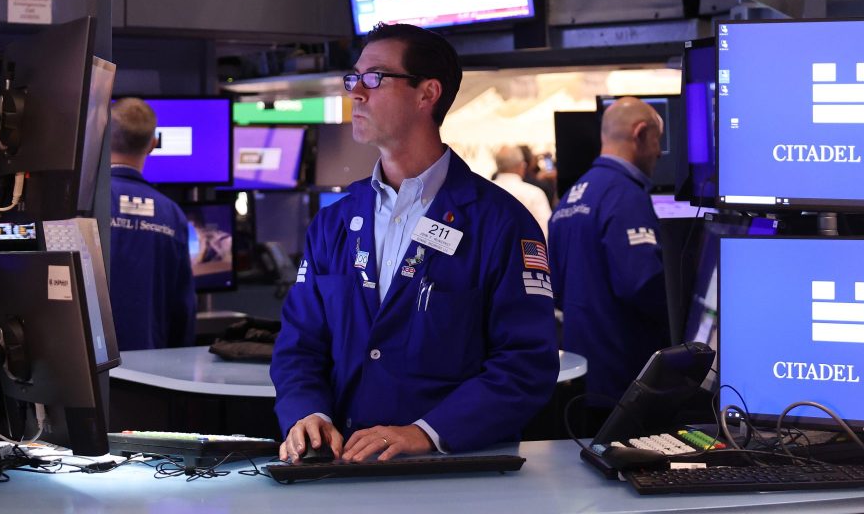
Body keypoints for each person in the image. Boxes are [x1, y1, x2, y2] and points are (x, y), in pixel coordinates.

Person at [273, 24, 558, 463]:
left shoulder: (501, 223)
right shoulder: (333, 222)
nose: (357, 93)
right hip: (344, 468)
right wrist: (305, 412)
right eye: (355, 79)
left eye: (375, 78)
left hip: (455, 469)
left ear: (427, 94)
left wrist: (427, 432)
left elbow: (525, 364)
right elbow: (300, 344)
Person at [548, 97, 670, 408]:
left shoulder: (569, 200)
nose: (658, 152)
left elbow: (557, 291)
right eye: (658, 140)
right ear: (640, 133)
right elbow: (642, 285)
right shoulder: (625, 196)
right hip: (628, 380)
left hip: (584, 380)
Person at [107, 97, 196, 351]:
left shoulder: (87, 202)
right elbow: (183, 308)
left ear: (102, 137)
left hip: (87, 367)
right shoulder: (172, 214)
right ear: (153, 145)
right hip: (150, 369)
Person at [492, 145, 552, 239]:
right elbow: (545, 233)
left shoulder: (483, 192)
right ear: (522, 165)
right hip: (524, 251)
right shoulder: (534, 194)